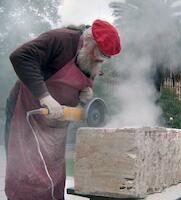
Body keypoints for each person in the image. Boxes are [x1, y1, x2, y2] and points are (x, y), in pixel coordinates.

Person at [4, 19, 121, 200]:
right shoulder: (61, 39)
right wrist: (45, 97)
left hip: (55, 122)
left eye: (105, 58)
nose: (99, 60)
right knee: (26, 170)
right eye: (99, 54)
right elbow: (20, 56)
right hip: (27, 111)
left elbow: (80, 84)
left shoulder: (92, 60)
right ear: (89, 40)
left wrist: (83, 95)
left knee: (53, 169)